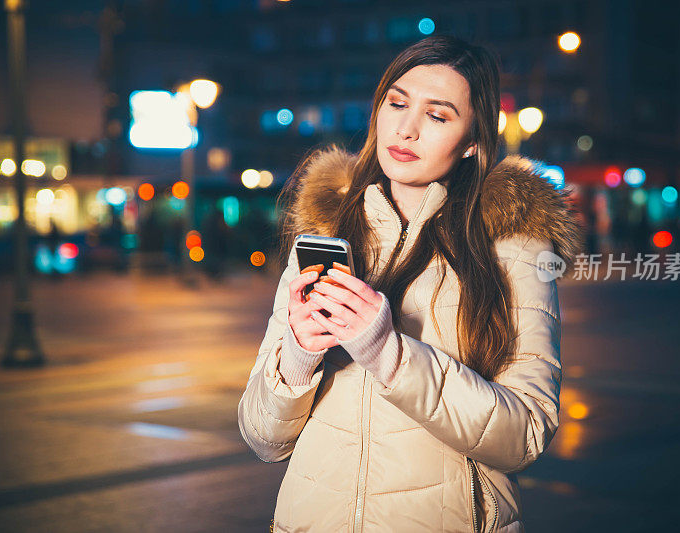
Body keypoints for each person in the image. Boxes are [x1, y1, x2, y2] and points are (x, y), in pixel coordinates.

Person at [238, 35, 582, 533]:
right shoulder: (327, 235)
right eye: (396, 103)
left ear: (472, 142)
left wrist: (389, 354)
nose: (406, 128)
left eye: (438, 115)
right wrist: (298, 355)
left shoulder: (512, 245)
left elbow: (525, 433)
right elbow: (264, 440)